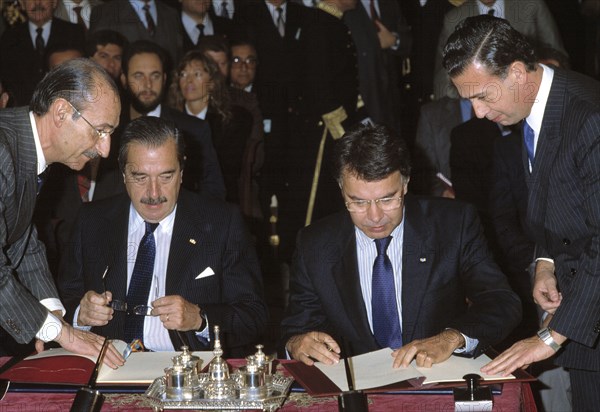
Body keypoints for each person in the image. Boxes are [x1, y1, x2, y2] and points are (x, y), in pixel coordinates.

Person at [442, 15, 600, 410]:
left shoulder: (588, 116)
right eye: (469, 101)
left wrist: (551, 337)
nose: (477, 112)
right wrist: (545, 260)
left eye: (483, 96)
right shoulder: (537, 111)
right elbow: (563, 205)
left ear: (516, 72)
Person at [280, 124, 521, 367]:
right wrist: (297, 343)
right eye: (358, 202)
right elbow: (295, 330)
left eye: (387, 199)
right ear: (342, 190)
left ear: (405, 184)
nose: (375, 216)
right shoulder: (315, 244)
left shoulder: (453, 225)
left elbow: (501, 301)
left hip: (436, 382)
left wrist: (452, 338)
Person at [58, 117, 268, 355]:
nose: (153, 193)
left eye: (166, 176)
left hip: (188, 370)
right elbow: (60, 301)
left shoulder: (222, 223)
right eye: (140, 177)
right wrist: (79, 314)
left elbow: (254, 316)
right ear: (123, 173)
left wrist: (201, 318)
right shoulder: (92, 220)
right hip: (106, 365)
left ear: (182, 171)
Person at [0, 58, 123, 367]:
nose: (105, 149)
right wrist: (64, 333)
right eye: (100, 131)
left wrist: (51, 311)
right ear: (61, 112)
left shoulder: (25, 148)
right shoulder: (2, 150)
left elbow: (22, 239)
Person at [168, 50, 254, 210]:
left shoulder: (231, 121)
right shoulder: (170, 120)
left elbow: (227, 170)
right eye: (183, 74)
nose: (189, 80)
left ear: (212, 82)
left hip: (219, 198)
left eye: (197, 74)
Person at [433, 0, 566, 99]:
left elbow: (558, 57)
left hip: (531, 95)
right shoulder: (454, 18)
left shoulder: (532, 5)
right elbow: (443, 76)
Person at [0, 0, 85, 105]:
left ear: (54, 2)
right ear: (22, 4)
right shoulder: (9, 38)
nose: (37, 3)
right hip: (21, 110)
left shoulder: (74, 33)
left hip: (63, 107)